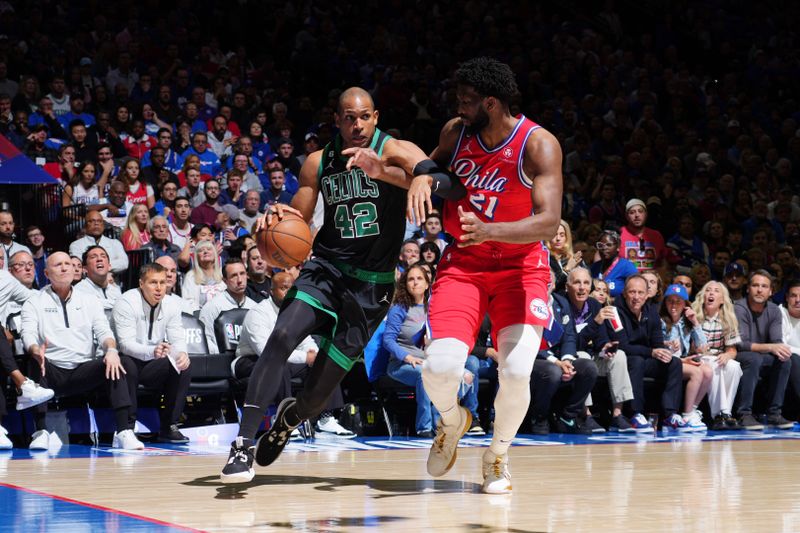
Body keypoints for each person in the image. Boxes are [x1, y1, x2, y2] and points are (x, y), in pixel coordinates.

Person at [220, 86, 434, 483]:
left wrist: (419, 178)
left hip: (371, 288)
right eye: (349, 117)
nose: (357, 124)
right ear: (337, 120)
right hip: (326, 269)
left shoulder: (394, 149)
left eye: (364, 116)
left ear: (375, 117)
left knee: (317, 395)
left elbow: (429, 169)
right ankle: (243, 444)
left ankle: (290, 419)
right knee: (282, 335)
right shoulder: (319, 162)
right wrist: (277, 217)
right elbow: (297, 218)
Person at [405, 57, 562, 494]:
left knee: (515, 372)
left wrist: (491, 230)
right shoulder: (456, 133)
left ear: (491, 103)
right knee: (438, 367)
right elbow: (433, 168)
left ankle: (497, 456)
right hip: (466, 266)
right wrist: (421, 177)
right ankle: (454, 423)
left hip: (521, 267)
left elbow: (549, 223)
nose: (460, 108)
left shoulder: (538, 144)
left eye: (468, 102)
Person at [21, 252, 140, 450]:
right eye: (58, 265)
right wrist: (35, 349)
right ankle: (40, 431)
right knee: (34, 360)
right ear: (46, 273)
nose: (65, 268)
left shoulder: (89, 300)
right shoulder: (35, 301)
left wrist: (111, 349)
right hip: (51, 370)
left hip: (83, 369)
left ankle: (123, 431)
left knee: (120, 361)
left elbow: (104, 331)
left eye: (68, 263)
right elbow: (28, 334)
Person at [382, 265, 481, 437]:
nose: (415, 283)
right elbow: (388, 340)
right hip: (402, 364)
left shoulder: (435, 307)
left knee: (469, 369)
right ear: (405, 284)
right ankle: (425, 426)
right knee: (426, 374)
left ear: (428, 284)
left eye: (419, 279)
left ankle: (456, 420)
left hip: (432, 360)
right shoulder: (399, 308)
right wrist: (406, 356)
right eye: (411, 279)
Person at [113, 263, 192, 443]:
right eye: (153, 283)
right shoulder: (126, 302)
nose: (159, 288)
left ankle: (169, 425)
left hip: (152, 362)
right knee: (127, 364)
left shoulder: (171, 303)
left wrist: (182, 354)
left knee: (182, 366)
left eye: (162, 283)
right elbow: (125, 345)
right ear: (141, 284)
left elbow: (177, 336)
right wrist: (152, 351)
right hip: (128, 360)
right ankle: (128, 428)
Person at [565, 268, 635, 432]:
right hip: (569, 359)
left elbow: (600, 337)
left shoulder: (594, 305)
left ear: (590, 287)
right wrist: (595, 322)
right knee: (582, 356)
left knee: (619, 356)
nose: (582, 287)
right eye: (577, 283)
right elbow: (572, 344)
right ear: (568, 286)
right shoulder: (563, 304)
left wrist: (605, 346)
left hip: (594, 358)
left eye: (586, 283)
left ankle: (617, 415)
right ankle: (586, 415)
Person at [529, 271, 598, 435]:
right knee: (552, 372)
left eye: (548, 282)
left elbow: (569, 336)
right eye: (541, 281)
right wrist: (556, 362)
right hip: (534, 358)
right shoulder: (529, 303)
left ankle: (568, 416)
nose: (545, 285)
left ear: (553, 285)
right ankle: (538, 417)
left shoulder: (561, 303)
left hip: (560, 359)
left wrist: (567, 359)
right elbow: (531, 342)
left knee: (588, 366)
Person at [616, 275, 687, 432]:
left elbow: (657, 343)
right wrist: (652, 352)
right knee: (636, 361)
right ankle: (635, 414)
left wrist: (664, 352)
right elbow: (622, 346)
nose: (636, 297)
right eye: (632, 292)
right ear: (624, 293)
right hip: (623, 361)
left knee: (674, 362)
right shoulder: (616, 311)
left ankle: (670, 415)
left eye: (640, 292)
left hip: (646, 357)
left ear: (647, 294)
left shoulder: (652, 312)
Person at [733, 270, 793, 430]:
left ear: (771, 291)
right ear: (748, 288)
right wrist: (771, 347)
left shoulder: (774, 310)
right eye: (755, 285)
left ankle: (774, 413)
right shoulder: (739, 307)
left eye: (764, 286)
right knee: (753, 359)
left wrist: (780, 349)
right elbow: (741, 344)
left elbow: (776, 341)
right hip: (737, 355)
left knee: (786, 359)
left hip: (760, 355)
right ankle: (744, 414)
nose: (759, 290)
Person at [692, 281, 743, 431]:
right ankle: (719, 415)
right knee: (713, 363)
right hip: (698, 357)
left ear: (722, 299)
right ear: (703, 296)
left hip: (718, 357)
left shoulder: (728, 319)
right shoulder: (694, 316)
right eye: (708, 290)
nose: (711, 293)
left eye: (716, 291)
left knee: (734, 366)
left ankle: (726, 413)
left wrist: (728, 356)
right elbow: (690, 348)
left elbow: (732, 350)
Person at [659, 284, 711, 431]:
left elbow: (703, 347)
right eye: (670, 301)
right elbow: (656, 346)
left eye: (678, 301)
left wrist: (695, 322)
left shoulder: (686, 322)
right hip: (667, 363)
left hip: (682, 361)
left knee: (707, 371)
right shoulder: (660, 321)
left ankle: (693, 410)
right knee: (696, 372)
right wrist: (667, 344)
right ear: (665, 303)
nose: (674, 305)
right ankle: (687, 414)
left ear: (685, 305)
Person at [199, 259, 257, 354]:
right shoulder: (212, 307)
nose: (239, 280)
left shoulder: (255, 307)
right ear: (225, 281)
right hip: (221, 361)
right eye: (234, 276)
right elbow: (206, 341)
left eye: (242, 274)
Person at [618, 198, 667, 272]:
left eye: (640, 211)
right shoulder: (619, 234)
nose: (637, 215)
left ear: (646, 214)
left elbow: (663, 261)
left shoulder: (656, 235)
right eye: (632, 212)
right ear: (626, 216)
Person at [181, 239, 226, 312]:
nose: (205, 252)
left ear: (215, 255)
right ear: (197, 257)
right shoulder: (191, 276)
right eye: (201, 250)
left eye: (209, 249)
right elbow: (188, 302)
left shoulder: (223, 273)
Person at [590, 230, 638, 297]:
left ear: (618, 247)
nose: (604, 248)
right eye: (600, 245)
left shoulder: (627, 267)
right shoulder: (595, 267)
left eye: (609, 245)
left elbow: (636, 293)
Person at [73, 245, 122, 310]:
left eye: (103, 256)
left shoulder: (116, 291)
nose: (99, 259)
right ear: (84, 269)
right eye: (93, 257)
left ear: (109, 266)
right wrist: (120, 303)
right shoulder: (79, 290)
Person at [548, 219, 585, 294]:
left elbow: (590, 286)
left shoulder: (574, 259)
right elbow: (551, 286)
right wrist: (567, 269)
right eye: (554, 235)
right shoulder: (545, 258)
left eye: (562, 235)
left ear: (567, 238)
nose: (558, 239)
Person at [781, 280, 800, 408]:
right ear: (787, 297)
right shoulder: (780, 313)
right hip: (785, 361)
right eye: (793, 296)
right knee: (793, 358)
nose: (798, 300)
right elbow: (782, 345)